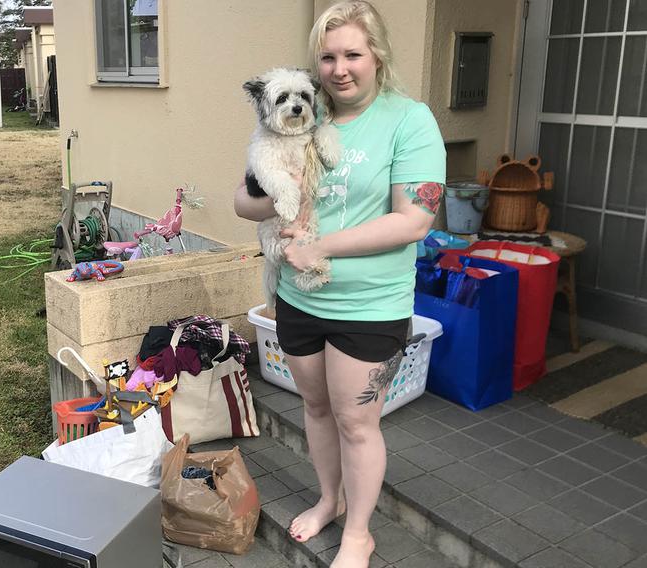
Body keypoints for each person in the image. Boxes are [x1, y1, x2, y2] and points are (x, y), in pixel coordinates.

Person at [234, 2, 445, 566]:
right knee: (316, 408)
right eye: (328, 56)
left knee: (357, 420)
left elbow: (416, 219)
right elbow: (241, 201)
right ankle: (329, 500)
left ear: (377, 55)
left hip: (370, 304)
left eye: (353, 53)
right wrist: (276, 192)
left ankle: (359, 532)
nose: (340, 68)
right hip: (300, 297)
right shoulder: (301, 111)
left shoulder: (409, 119)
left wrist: (318, 245)